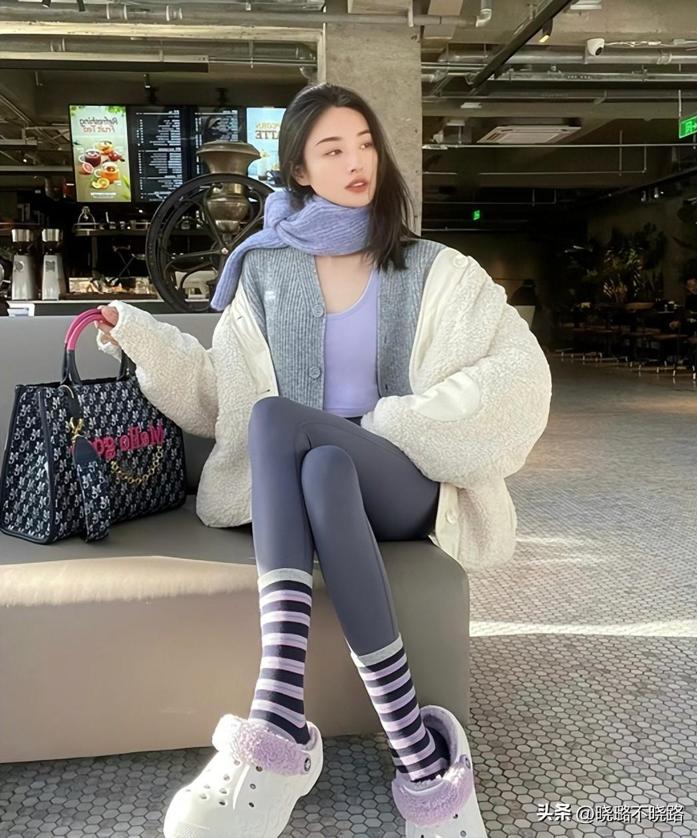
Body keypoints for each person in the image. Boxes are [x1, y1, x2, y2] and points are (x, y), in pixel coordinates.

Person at [94, 83, 552, 838]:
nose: (356, 162)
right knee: (318, 463)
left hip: (404, 475)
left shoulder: (437, 268)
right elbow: (223, 398)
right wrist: (139, 335)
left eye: (365, 144)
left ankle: (276, 716)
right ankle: (417, 747)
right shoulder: (266, 275)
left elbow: (519, 375)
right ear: (300, 171)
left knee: (287, 424)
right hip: (316, 482)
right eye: (332, 150)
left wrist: (390, 421)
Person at [669, 262, 697, 336]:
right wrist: (678, 321)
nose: (693, 288)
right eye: (690, 286)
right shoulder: (690, 298)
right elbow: (687, 313)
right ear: (687, 288)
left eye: (696, 284)